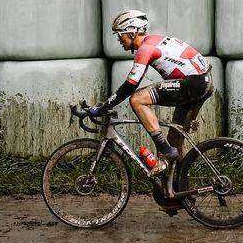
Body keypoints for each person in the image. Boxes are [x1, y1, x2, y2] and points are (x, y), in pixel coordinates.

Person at [87, 10, 213, 176]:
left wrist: (103, 108)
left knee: (137, 99)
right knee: (175, 140)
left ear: (131, 33)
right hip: (203, 81)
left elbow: (130, 85)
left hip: (193, 83)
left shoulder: (145, 49)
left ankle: (164, 150)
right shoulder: (155, 40)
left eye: (120, 35)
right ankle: (179, 190)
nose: (119, 40)